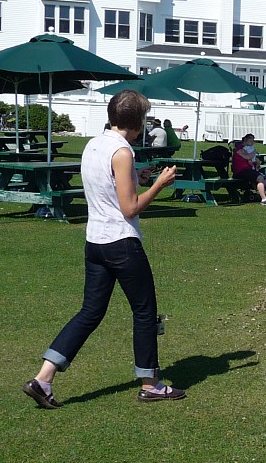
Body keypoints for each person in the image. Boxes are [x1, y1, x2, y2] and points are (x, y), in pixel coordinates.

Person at [23, 90, 184, 409]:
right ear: (138, 123)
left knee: (90, 312)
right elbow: (130, 208)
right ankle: (150, 384)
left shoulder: (94, 144)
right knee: (144, 311)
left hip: (95, 242)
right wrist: (158, 185)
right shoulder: (123, 151)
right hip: (121, 243)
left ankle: (43, 378)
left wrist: (136, 178)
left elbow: (105, 184)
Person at [232, 133, 266, 206]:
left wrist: (257, 161)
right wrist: (254, 152)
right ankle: (264, 199)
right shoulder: (239, 149)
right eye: (250, 141)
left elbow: (254, 161)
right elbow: (248, 157)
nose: (252, 143)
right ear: (245, 140)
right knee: (260, 178)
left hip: (250, 171)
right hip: (241, 172)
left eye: (253, 141)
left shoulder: (249, 149)